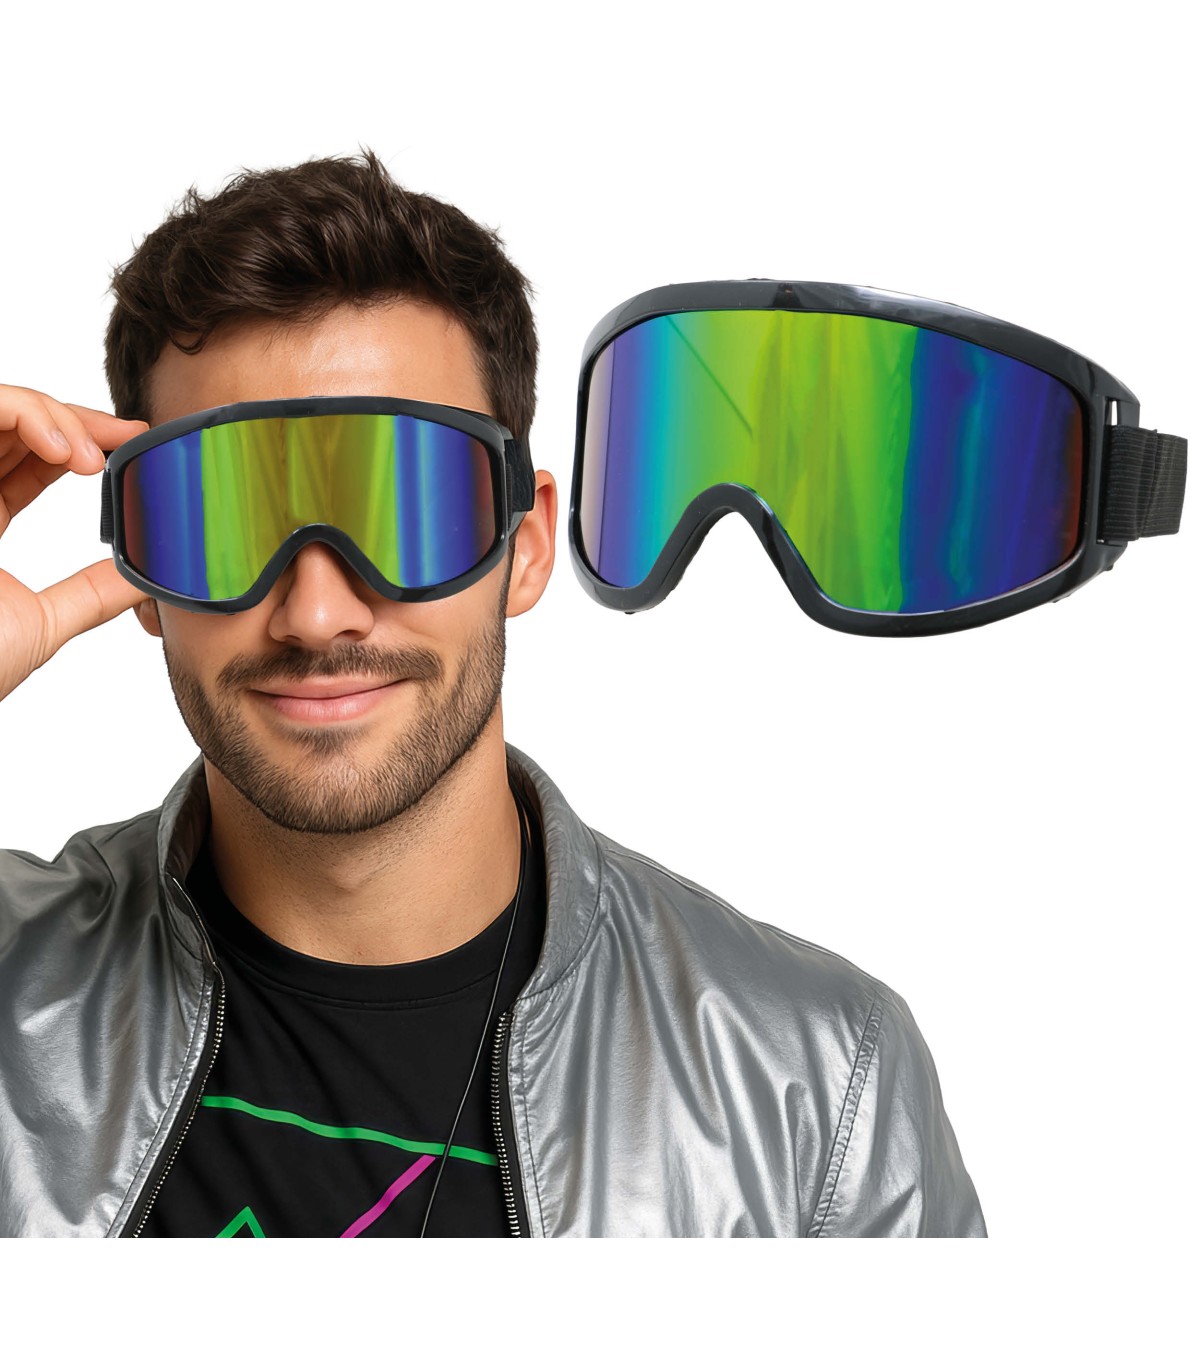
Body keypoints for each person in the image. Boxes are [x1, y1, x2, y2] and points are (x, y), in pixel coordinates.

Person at [0, 149, 985, 1238]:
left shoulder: (819, 1094)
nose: (316, 613)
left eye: (403, 507)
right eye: (222, 517)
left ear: (526, 546)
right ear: (142, 569)